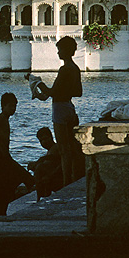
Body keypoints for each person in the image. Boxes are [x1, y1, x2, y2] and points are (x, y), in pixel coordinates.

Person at [31, 36, 83, 186]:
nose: (58, 53)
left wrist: (37, 82)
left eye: (59, 50)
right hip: (69, 107)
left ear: (66, 51)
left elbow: (52, 92)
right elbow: (78, 92)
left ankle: (67, 181)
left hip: (59, 109)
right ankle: (74, 177)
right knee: (72, 147)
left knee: (63, 149)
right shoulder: (75, 69)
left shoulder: (64, 69)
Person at [0, 92, 35, 216]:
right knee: (1, 189)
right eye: (10, 106)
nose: (13, 109)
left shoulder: (5, 120)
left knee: (7, 187)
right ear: (3, 106)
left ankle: (0, 213)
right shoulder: (1, 118)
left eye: (15, 106)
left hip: (4, 159)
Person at [28, 127, 64, 200]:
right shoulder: (49, 151)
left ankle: (39, 197)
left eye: (45, 139)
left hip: (57, 178)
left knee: (40, 168)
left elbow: (58, 162)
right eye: (41, 140)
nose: (43, 142)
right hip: (50, 178)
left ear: (51, 137)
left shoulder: (56, 148)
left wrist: (49, 176)